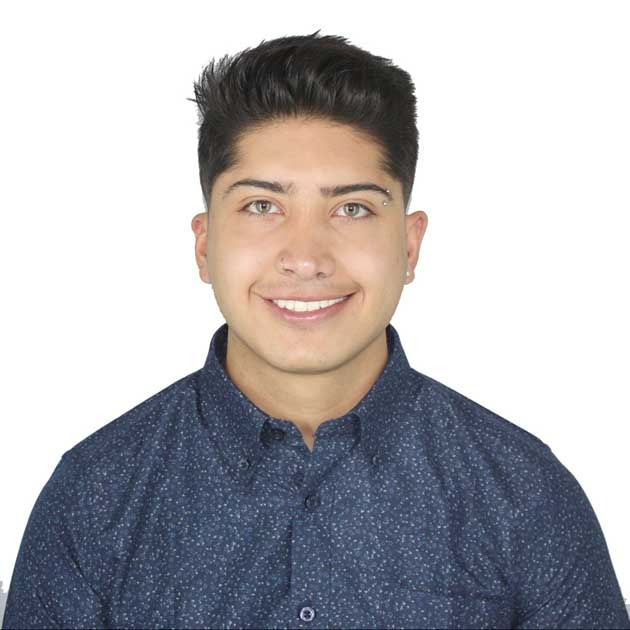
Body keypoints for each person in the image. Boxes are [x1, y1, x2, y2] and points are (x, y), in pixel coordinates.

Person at [3, 30, 628, 630]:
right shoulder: (95, 495)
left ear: (410, 245)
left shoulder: (524, 494)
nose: (306, 259)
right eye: (262, 206)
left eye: (352, 208)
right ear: (205, 244)